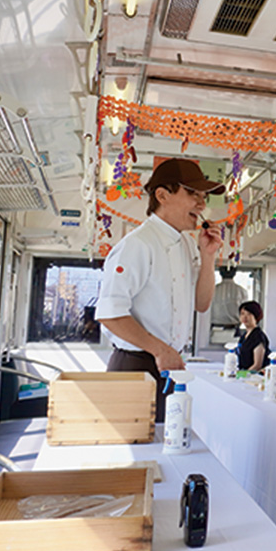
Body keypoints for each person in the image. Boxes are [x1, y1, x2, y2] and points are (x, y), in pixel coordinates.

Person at [96, 158, 223, 420]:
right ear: (162, 195)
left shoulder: (187, 245)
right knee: (134, 454)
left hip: (168, 365)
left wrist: (208, 257)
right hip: (135, 365)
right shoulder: (138, 244)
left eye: (204, 197)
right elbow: (109, 314)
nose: (202, 204)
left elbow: (201, 304)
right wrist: (159, 349)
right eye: (193, 194)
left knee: (169, 449)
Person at [236, 300, 269, 373]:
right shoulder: (244, 335)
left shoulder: (258, 336)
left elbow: (257, 365)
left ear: (256, 316)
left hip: (253, 376)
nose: (245, 317)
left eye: (249, 314)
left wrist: (243, 375)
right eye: (242, 314)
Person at [211, 266, 244, 334]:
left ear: (220, 273)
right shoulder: (241, 291)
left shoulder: (212, 290)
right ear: (235, 274)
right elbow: (244, 312)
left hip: (214, 329)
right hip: (234, 329)